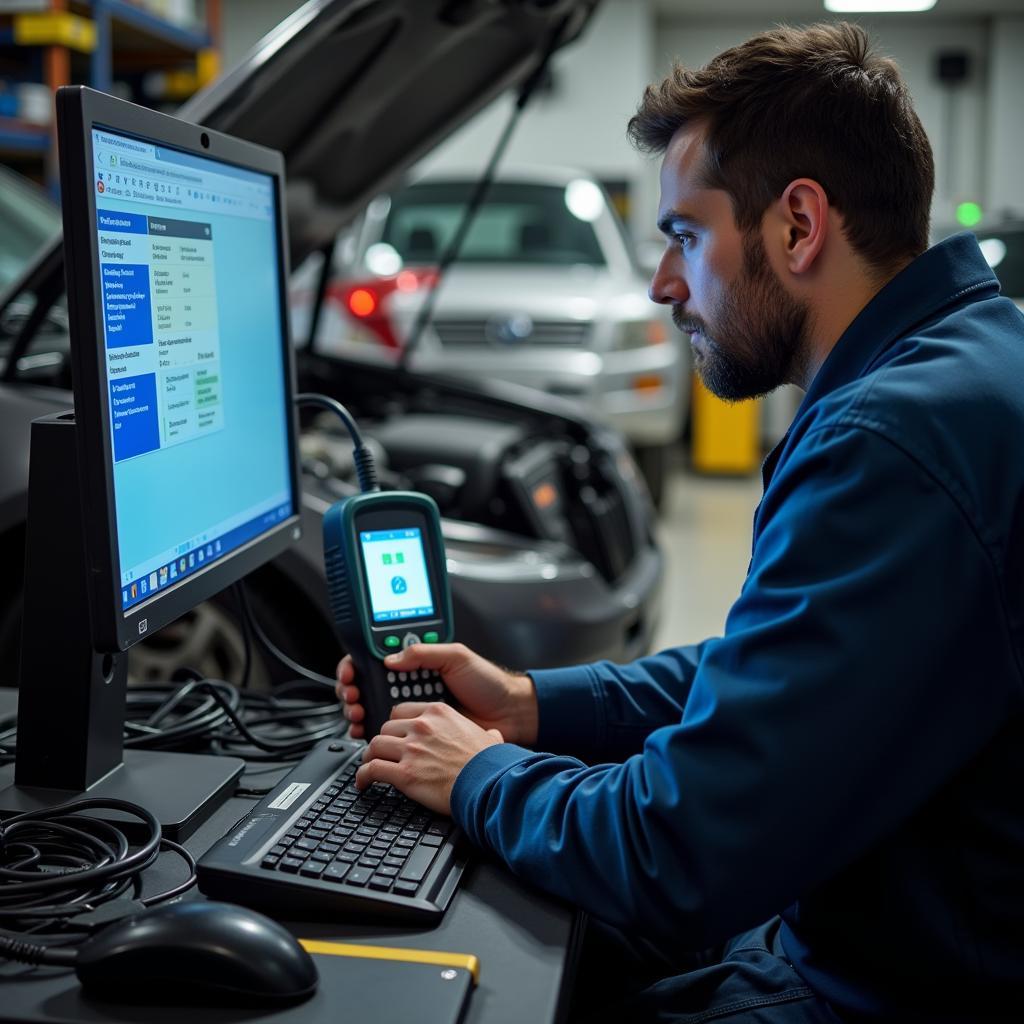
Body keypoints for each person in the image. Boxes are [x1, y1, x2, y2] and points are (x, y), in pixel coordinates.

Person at [337, 21, 1024, 1023]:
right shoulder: (963, 362)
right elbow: (786, 673)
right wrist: (531, 705)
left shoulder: (894, 441)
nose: (664, 284)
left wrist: (480, 772)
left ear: (797, 225)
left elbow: (679, 852)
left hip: (890, 982)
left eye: (684, 235)